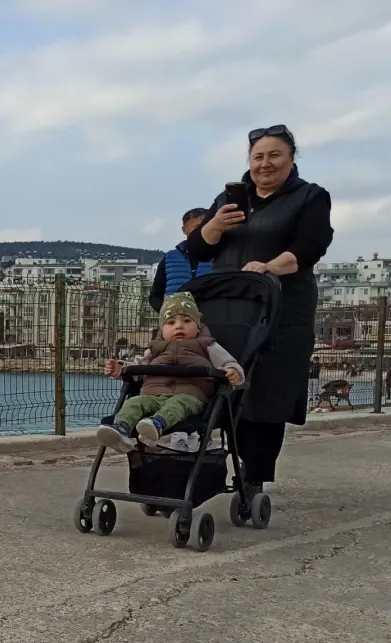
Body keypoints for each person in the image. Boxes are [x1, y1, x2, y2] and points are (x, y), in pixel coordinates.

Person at [184, 124, 334, 493]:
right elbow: (198, 250)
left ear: (291, 158)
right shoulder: (230, 198)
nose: (265, 164)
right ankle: (207, 466)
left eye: (274, 155)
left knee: (267, 391)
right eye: (258, 157)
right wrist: (214, 225)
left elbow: (311, 246)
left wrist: (270, 266)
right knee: (221, 385)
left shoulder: (309, 197)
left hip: (283, 306)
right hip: (229, 306)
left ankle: (254, 475)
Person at [96, 291, 244, 453]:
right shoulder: (155, 349)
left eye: (187, 321)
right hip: (152, 394)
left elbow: (228, 362)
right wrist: (120, 369)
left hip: (190, 395)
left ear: (198, 326)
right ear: (162, 329)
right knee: (134, 402)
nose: (179, 326)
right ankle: (122, 429)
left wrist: (233, 372)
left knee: (178, 404)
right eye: (171, 322)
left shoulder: (207, 345)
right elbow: (138, 367)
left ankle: (157, 425)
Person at [147, 208, 213, 312]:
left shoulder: (222, 254)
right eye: (196, 228)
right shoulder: (170, 258)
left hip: (213, 319)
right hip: (179, 321)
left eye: (205, 227)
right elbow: (155, 296)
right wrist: (168, 314)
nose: (201, 232)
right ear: (184, 230)